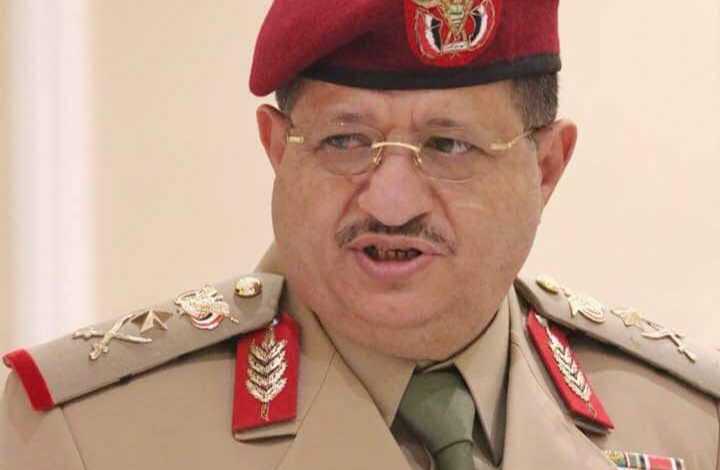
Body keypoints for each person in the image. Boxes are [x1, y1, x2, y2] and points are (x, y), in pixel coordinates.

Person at [3, 1, 719, 469]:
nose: (391, 202)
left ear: (546, 167)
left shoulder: (687, 424)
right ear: (277, 150)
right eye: (345, 141)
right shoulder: (83, 440)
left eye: (448, 146)